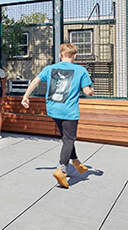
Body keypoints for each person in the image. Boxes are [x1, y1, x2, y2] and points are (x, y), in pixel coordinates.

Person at [21, 43, 94, 189]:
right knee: (69, 139)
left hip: (53, 109)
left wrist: (25, 97)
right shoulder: (81, 70)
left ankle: (75, 161)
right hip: (69, 111)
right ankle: (62, 169)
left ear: (60, 55)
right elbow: (87, 92)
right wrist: (91, 90)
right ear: (75, 55)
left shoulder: (50, 68)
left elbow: (35, 81)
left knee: (67, 137)